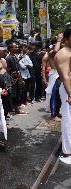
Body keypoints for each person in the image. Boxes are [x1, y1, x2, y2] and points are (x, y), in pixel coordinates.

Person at [55, 25, 71, 164]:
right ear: (66, 39)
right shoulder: (63, 54)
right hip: (68, 90)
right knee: (68, 121)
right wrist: (70, 94)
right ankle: (67, 152)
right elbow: (65, 76)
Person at [42, 34, 63, 121]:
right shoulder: (51, 52)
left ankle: (57, 111)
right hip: (54, 74)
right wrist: (59, 40)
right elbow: (55, 51)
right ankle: (53, 114)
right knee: (53, 94)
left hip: (60, 74)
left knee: (59, 94)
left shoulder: (62, 51)